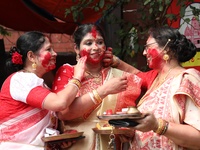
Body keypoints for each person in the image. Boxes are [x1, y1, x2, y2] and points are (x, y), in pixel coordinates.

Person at [107, 26, 200, 149]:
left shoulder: (186, 79)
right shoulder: (156, 79)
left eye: (148, 47)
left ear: (166, 49)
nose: (144, 52)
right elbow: (136, 74)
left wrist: (157, 125)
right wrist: (132, 133)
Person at [51, 23, 142, 150]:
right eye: (88, 43)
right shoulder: (68, 72)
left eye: (99, 42)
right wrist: (103, 91)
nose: (96, 47)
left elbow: (151, 81)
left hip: (111, 143)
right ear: (76, 48)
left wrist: (118, 63)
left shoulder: (117, 76)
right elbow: (63, 113)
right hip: (78, 144)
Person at [0, 31, 87, 150]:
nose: (55, 53)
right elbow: (60, 103)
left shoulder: (41, 85)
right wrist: (77, 77)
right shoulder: (21, 80)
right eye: (49, 49)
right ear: (31, 56)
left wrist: (59, 139)